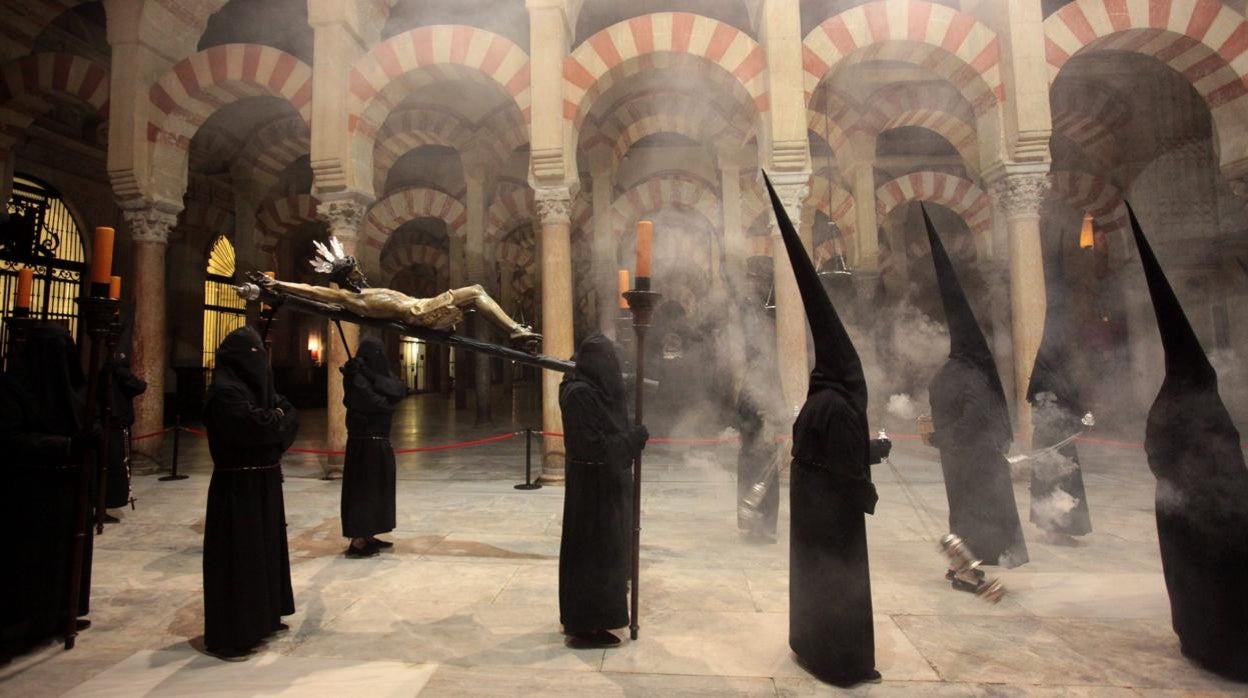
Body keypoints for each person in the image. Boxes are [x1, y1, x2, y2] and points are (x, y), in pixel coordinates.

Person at [765, 173, 889, 687]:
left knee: (811, 582)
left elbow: (819, 455)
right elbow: (844, 473)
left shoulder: (817, 401)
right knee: (839, 586)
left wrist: (869, 449)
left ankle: (809, 645)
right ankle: (843, 662)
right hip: (835, 524)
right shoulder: (838, 406)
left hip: (811, 520)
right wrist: (867, 488)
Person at [1129, 205, 1248, 681]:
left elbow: (1157, 452)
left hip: (1183, 506)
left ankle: (1200, 639)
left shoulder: (1168, 400)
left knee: (1194, 583)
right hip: (1210, 507)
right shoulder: (1196, 400)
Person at [923, 206, 1028, 589]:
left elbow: (961, 413)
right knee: (972, 517)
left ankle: (964, 570)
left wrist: (941, 437)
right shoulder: (970, 372)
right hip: (974, 459)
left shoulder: (958, 371)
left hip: (965, 459)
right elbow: (982, 416)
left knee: (967, 516)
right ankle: (964, 570)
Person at [201, 326, 299, 661]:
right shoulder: (225, 392)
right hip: (237, 488)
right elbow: (256, 428)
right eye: (253, 354)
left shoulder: (258, 390)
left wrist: (273, 420)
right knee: (242, 555)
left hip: (265, 482)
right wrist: (274, 421)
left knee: (267, 550)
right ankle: (237, 631)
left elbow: (286, 418)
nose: (260, 361)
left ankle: (266, 616)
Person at [0, 322, 96, 656]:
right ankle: (22, 625)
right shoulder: (12, 389)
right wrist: (65, 445)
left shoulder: (70, 390)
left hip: (67, 489)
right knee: (30, 560)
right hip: (30, 491)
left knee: (66, 553)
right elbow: (10, 440)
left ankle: (61, 612)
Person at [247, 238, 539, 345]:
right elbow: (313, 291)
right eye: (355, 270)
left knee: (474, 300)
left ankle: (512, 331)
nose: (360, 272)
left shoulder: (365, 291)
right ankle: (513, 331)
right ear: (347, 277)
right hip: (419, 311)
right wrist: (279, 285)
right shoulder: (351, 298)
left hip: (423, 306)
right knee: (475, 290)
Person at [557, 333, 648, 649]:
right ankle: (586, 624)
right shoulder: (579, 395)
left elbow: (609, 424)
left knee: (604, 556)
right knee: (591, 558)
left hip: (604, 487)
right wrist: (632, 441)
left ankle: (597, 619)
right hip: (591, 489)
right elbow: (593, 446)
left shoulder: (592, 391)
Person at [1026, 252, 1091, 544]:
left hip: (1059, 433)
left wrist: (1081, 414)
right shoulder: (1049, 368)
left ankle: (1062, 524)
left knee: (1063, 477)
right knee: (1055, 476)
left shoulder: (1057, 364)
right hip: (1052, 434)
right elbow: (1046, 401)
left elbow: (1070, 394)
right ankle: (1056, 525)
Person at [340, 335, 406, 558]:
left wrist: (371, 376)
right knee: (363, 491)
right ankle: (358, 540)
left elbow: (398, 389)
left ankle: (369, 533)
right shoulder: (353, 376)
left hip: (380, 441)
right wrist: (388, 403)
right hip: (363, 444)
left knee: (379, 490)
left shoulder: (372, 374)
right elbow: (371, 401)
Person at [99, 340, 147, 519]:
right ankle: (105, 504)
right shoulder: (117, 372)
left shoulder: (112, 371)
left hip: (114, 424)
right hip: (114, 426)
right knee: (113, 467)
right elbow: (139, 385)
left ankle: (106, 504)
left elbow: (138, 386)